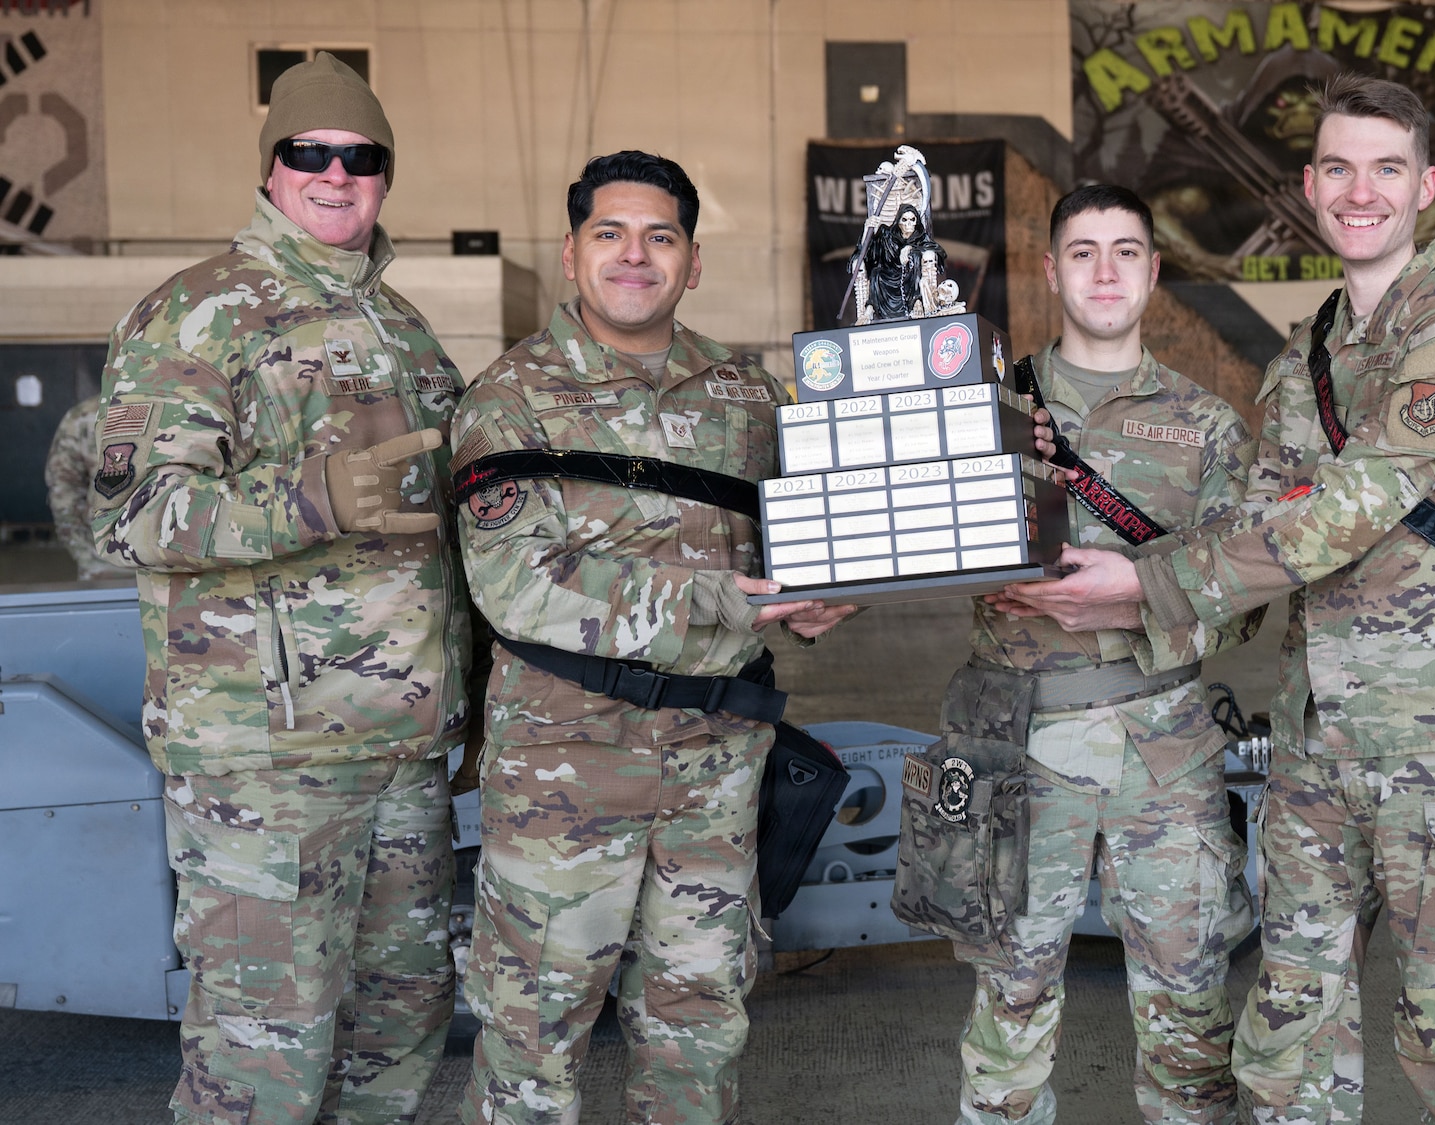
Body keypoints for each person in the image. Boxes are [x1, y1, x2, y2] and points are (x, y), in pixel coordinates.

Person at [1012, 75, 1435, 1123]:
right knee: (1290, 1032)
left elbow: (1345, 511)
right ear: (1304, 185)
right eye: (1335, 168)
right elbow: (1249, 543)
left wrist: (1151, 586)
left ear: (1424, 186)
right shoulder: (1302, 360)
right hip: (1314, 748)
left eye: (1384, 169)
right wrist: (1087, 545)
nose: (1358, 192)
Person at [90, 52, 470, 1125]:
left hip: (398, 752)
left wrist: (474, 694)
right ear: (270, 169)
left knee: (399, 1028)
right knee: (262, 1054)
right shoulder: (199, 314)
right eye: (311, 152)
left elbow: (437, 539)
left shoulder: (401, 328)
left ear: (386, 174)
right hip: (264, 765)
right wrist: (312, 499)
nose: (336, 173)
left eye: (361, 156)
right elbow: (133, 515)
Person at [451, 150, 853, 1125]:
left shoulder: (745, 398)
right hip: (564, 777)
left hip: (714, 775)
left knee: (697, 1030)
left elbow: (792, 547)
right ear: (570, 253)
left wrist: (818, 592)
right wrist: (723, 601)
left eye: (659, 236)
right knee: (531, 1043)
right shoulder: (511, 399)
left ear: (692, 260)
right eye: (611, 234)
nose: (636, 256)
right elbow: (519, 588)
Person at [948, 184, 1260, 1125]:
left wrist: (1125, 600)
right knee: (1008, 1006)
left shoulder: (1209, 426)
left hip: (1164, 748)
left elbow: (1246, 604)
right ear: (1050, 271)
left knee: (1189, 1015)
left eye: (1127, 250)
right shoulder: (983, 417)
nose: (1106, 271)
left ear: (1156, 271)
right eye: (1082, 252)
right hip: (1017, 744)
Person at [46, 396, 124, 578]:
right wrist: (86, 555)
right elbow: (64, 490)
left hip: (182, 564)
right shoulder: (84, 416)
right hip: (107, 564)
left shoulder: (189, 406)